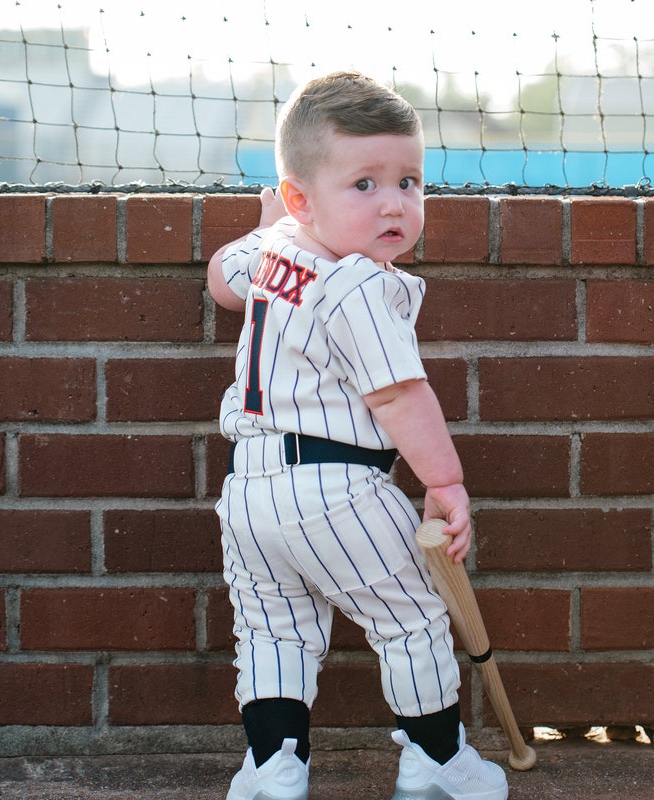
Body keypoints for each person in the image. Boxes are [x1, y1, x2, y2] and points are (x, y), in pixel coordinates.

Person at [207, 71, 508, 800]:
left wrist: (271, 224)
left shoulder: (275, 254)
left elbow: (221, 278)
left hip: (248, 493)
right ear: (302, 197)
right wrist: (444, 481)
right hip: (335, 487)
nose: (394, 204)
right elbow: (398, 393)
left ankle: (272, 770)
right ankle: (437, 764)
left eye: (409, 182)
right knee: (411, 619)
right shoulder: (361, 283)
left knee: (273, 631)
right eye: (364, 185)